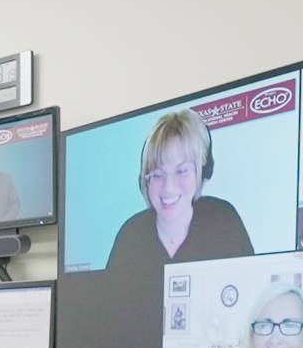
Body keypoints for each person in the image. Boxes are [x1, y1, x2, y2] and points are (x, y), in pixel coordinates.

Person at [103, 107, 255, 280]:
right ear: (144, 181)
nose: (168, 187)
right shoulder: (131, 236)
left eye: (182, 171)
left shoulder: (224, 221)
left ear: (203, 172)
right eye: (158, 175)